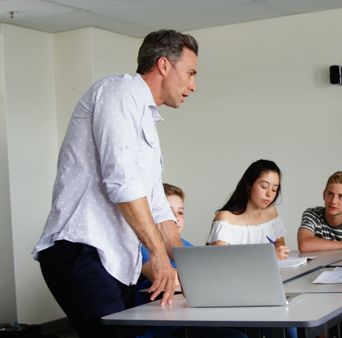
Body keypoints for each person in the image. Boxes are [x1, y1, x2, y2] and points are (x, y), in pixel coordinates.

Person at [31, 29, 198, 338]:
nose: (193, 85)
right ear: (164, 65)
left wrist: (198, 268)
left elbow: (158, 207)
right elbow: (121, 182)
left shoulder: (146, 118)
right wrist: (159, 256)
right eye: (190, 73)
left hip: (115, 260)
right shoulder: (118, 93)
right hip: (82, 249)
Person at [136, 184, 246, 338]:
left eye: (180, 212)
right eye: (167, 212)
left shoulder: (183, 244)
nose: (175, 218)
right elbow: (169, 279)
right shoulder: (142, 247)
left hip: (186, 321)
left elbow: (207, 271)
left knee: (239, 335)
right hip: (159, 328)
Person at [297, 171, 342, 337]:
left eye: (341, 196)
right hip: (313, 281)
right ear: (324, 194)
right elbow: (305, 244)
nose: (333, 200)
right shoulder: (312, 214)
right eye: (330, 194)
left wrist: (321, 244)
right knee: (318, 319)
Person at [206, 159, 290, 260]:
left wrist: (280, 249)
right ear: (249, 184)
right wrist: (270, 257)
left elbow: (279, 243)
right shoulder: (225, 219)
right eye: (264, 187)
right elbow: (221, 262)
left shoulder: (271, 212)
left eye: (274, 189)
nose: (269, 194)